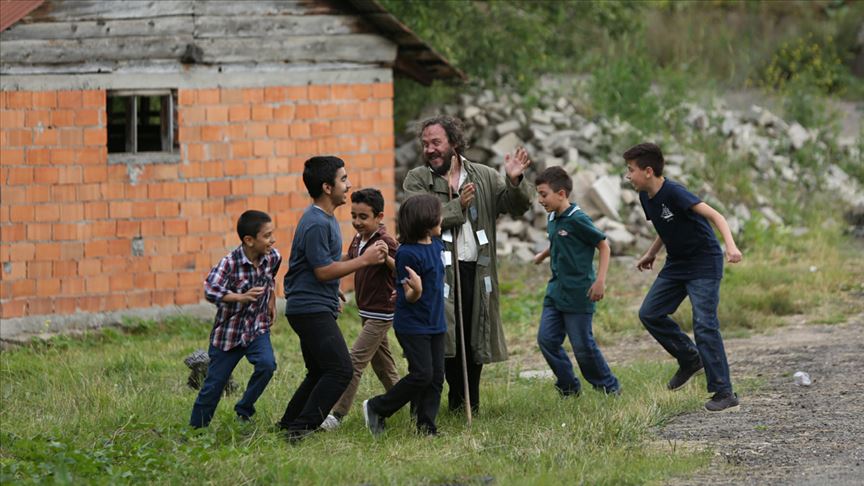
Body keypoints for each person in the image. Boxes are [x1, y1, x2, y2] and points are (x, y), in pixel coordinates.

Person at [402, 115, 533, 414]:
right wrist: (457, 206)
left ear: (454, 143)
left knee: (475, 338)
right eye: (425, 144)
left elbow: (514, 207)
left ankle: (466, 404)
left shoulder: (484, 176)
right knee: (444, 338)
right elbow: (416, 221)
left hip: (477, 270)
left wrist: (514, 182)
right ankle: (436, 404)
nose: (430, 150)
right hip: (437, 273)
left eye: (436, 142)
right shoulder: (418, 179)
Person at [623, 142, 743, 412]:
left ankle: (724, 392)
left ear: (649, 171)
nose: (628, 176)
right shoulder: (646, 196)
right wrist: (651, 253)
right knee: (650, 313)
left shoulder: (675, 192)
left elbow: (716, 216)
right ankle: (690, 359)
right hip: (677, 264)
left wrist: (731, 246)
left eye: (631, 170)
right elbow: (666, 226)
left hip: (704, 261)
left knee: (704, 324)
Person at [277, 156, 388, 441]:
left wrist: (339, 276)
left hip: (313, 304)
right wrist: (362, 260)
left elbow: (320, 265)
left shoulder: (323, 219)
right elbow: (323, 270)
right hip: (309, 310)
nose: (348, 185)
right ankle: (301, 429)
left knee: (319, 370)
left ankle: (289, 423)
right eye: (343, 179)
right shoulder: (316, 222)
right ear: (327, 187)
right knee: (340, 370)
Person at [532, 167, 621, 397]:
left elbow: (603, 246)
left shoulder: (578, 219)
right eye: (539, 194)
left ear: (561, 194)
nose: (540, 200)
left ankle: (609, 387)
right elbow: (558, 240)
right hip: (556, 292)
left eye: (543, 194)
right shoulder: (553, 217)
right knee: (547, 340)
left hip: (580, 293)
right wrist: (543, 255)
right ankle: (569, 387)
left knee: (582, 347)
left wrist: (600, 281)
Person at [363, 194, 446, 437]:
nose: (442, 218)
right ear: (425, 220)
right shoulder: (407, 254)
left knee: (436, 377)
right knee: (422, 374)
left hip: (436, 322)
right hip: (413, 325)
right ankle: (377, 407)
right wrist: (417, 289)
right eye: (438, 214)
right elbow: (408, 296)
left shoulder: (438, 245)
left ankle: (426, 426)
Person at [190, 210, 280, 428]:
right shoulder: (229, 264)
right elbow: (210, 290)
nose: (272, 240)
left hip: (257, 329)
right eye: (267, 236)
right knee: (214, 384)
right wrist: (240, 297)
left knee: (267, 365)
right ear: (249, 240)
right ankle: (196, 429)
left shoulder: (273, 257)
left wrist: (271, 301)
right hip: (228, 335)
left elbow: (271, 279)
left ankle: (244, 409)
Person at [321, 188, 401, 430]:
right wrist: (328, 270)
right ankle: (410, 400)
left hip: (381, 313)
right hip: (366, 313)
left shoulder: (385, 241)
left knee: (353, 362)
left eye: (363, 217)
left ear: (379, 217)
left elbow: (402, 269)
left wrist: (387, 259)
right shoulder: (359, 239)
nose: (357, 222)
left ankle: (337, 414)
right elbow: (349, 258)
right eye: (354, 215)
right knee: (383, 366)